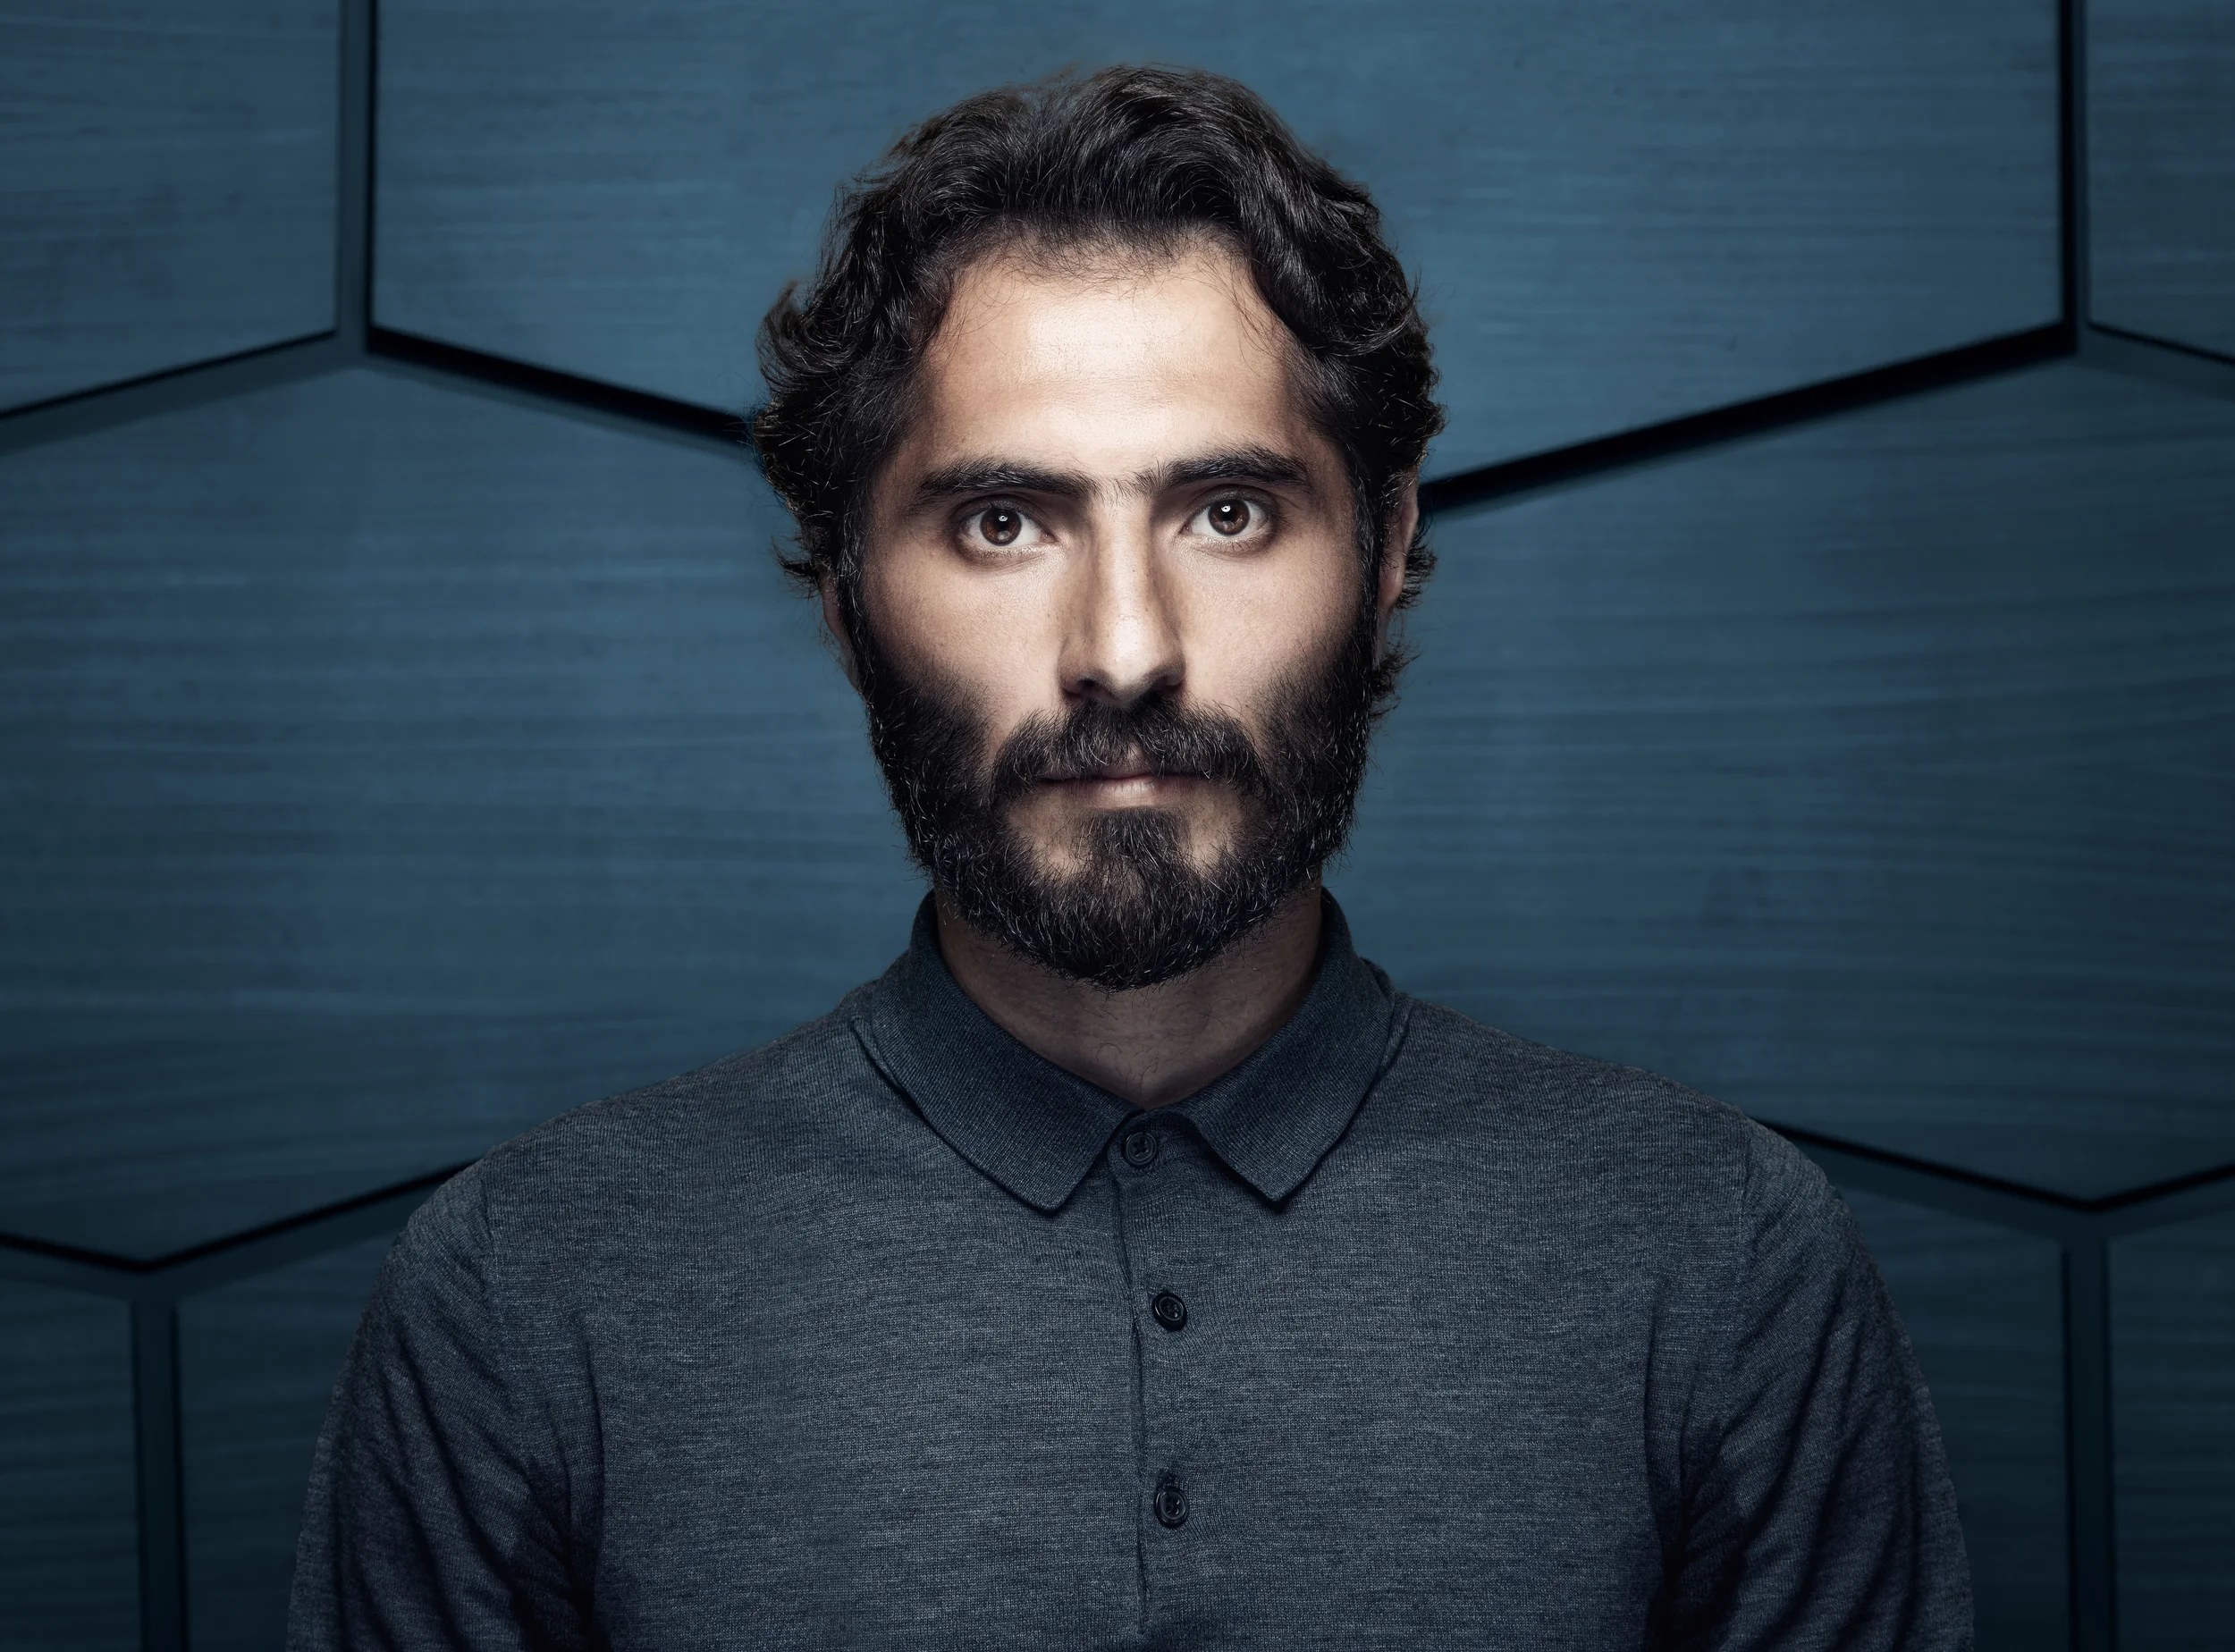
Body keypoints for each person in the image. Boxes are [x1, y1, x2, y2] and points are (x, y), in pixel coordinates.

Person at [291, 65, 1972, 1650]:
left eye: (1228, 513)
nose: (1124, 650)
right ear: (845, 592)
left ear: (1386, 546)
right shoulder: (530, 1291)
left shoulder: (1719, 1257)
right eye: (1003, 523)